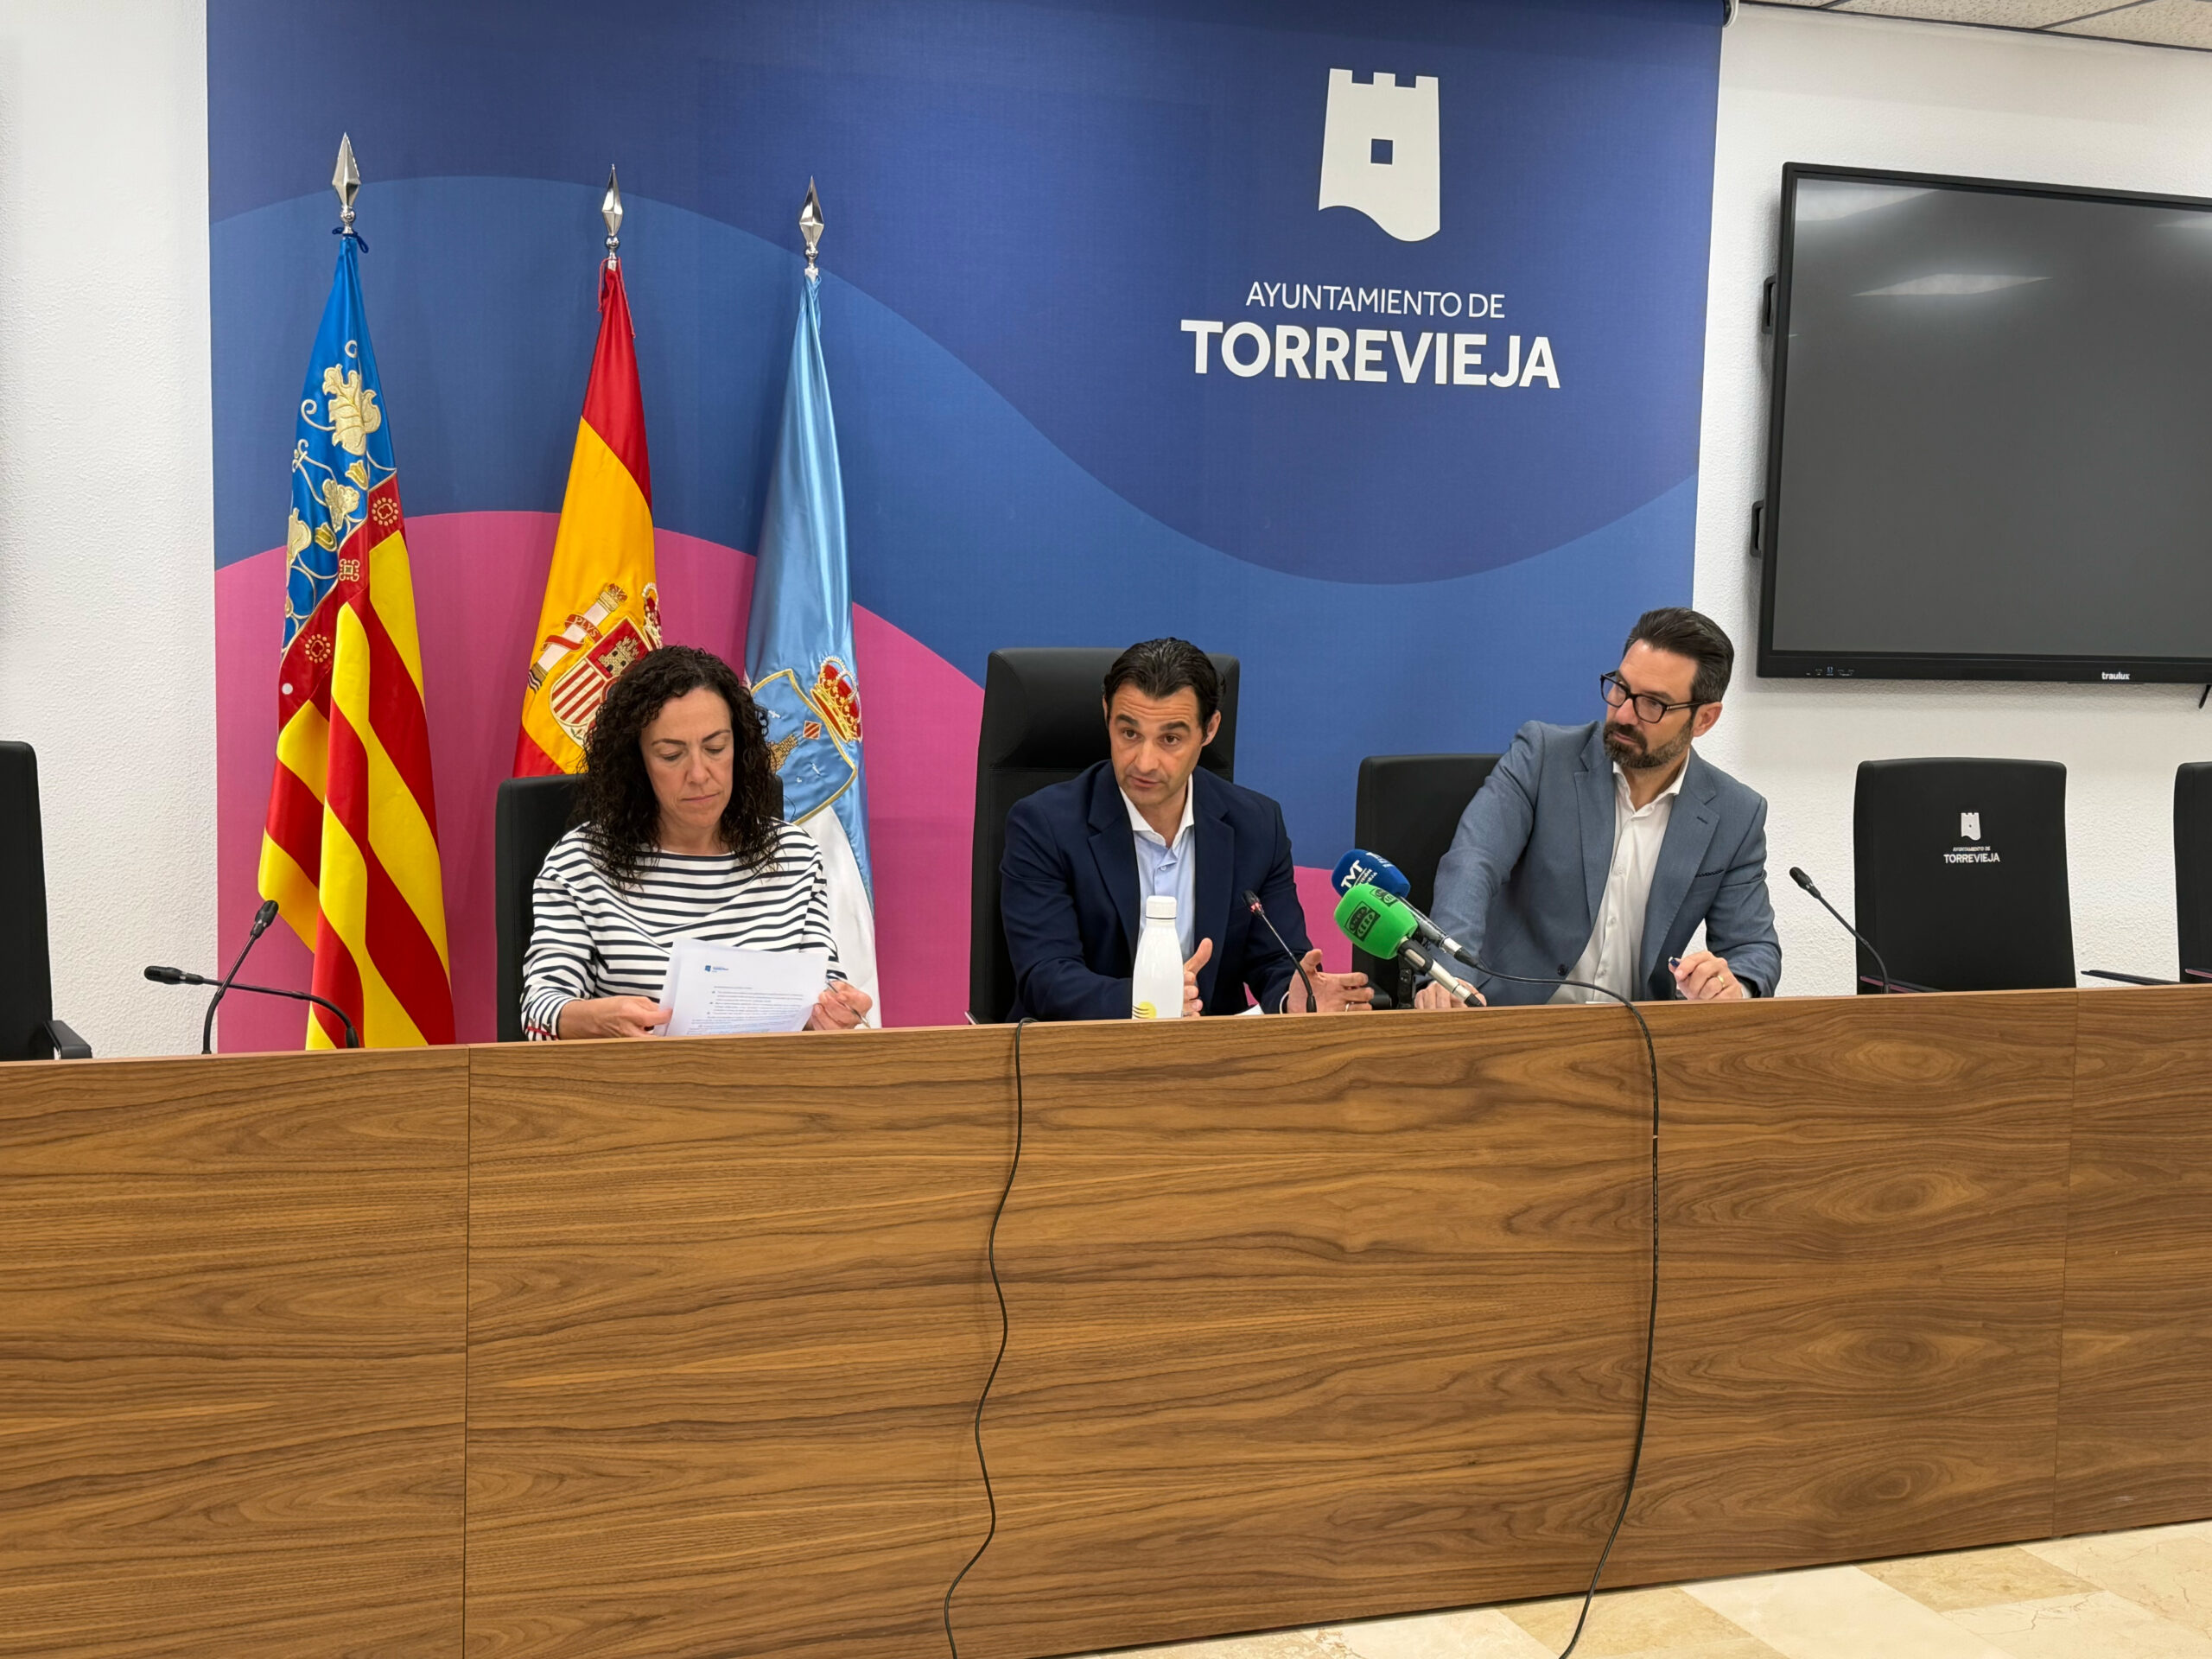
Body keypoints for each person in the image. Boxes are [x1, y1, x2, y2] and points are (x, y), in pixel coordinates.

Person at [1418, 607, 1780, 1009]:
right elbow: (1472, 864)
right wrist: (1451, 979)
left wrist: (1733, 987)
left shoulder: (1736, 814)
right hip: (1512, 1016)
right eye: (1620, 688)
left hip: (1636, 1032)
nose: (1623, 714)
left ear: (1704, 719)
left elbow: (1753, 948)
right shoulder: (1542, 758)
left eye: (1653, 704)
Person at [1000, 637, 1370, 1020]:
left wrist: (1294, 996)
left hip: (1211, 1053)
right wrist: (1150, 1001)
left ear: (1209, 730)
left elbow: (1275, 960)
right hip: (1083, 1050)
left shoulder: (1257, 825)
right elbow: (1046, 978)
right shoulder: (1044, 826)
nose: (1145, 762)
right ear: (1107, 712)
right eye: (1129, 734)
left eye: (1170, 739)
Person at [521, 645, 874, 1039]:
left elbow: (823, 987)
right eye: (671, 755)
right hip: (639, 1075)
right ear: (637, 764)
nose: (700, 774)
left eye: (716, 748)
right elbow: (539, 1012)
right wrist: (594, 1019)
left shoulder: (795, 855)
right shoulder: (582, 862)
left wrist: (835, 1010)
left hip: (768, 1076)